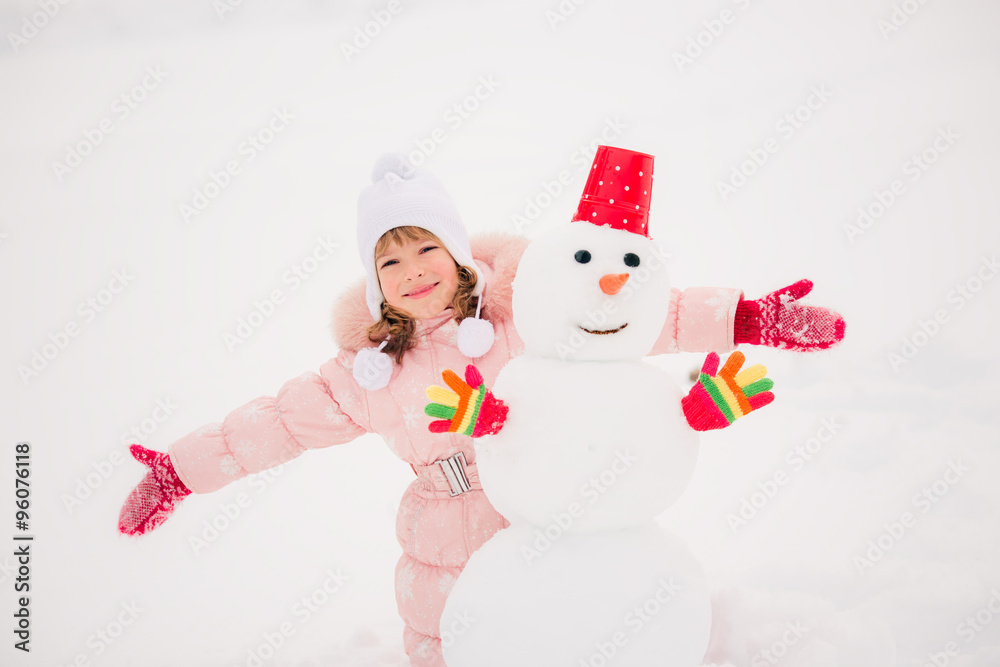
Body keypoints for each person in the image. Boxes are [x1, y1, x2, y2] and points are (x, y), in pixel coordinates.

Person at [117, 149, 844, 666]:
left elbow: (645, 317)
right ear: (374, 285)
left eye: (425, 248)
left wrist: (748, 319)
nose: (413, 272)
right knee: (450, 642)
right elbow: (276, 424)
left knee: (569, 628)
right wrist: (181, 471)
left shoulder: (523, 312)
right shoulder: (369, 373)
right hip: (440, 535)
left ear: (457, 250)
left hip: (549, 504)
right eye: (390, 262)